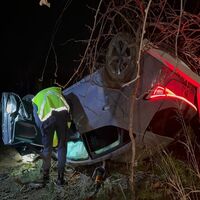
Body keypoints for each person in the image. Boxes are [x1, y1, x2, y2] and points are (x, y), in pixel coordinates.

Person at [32, 87, 71, 186]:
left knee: (47, 149)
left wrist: (43, 131)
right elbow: (69, 108)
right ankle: (60, 179)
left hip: (47, 120)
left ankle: (45, 177)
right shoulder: (58, 92)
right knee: (62, 147)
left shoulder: (35, 99)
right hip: (62, 116)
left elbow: (37, 120)